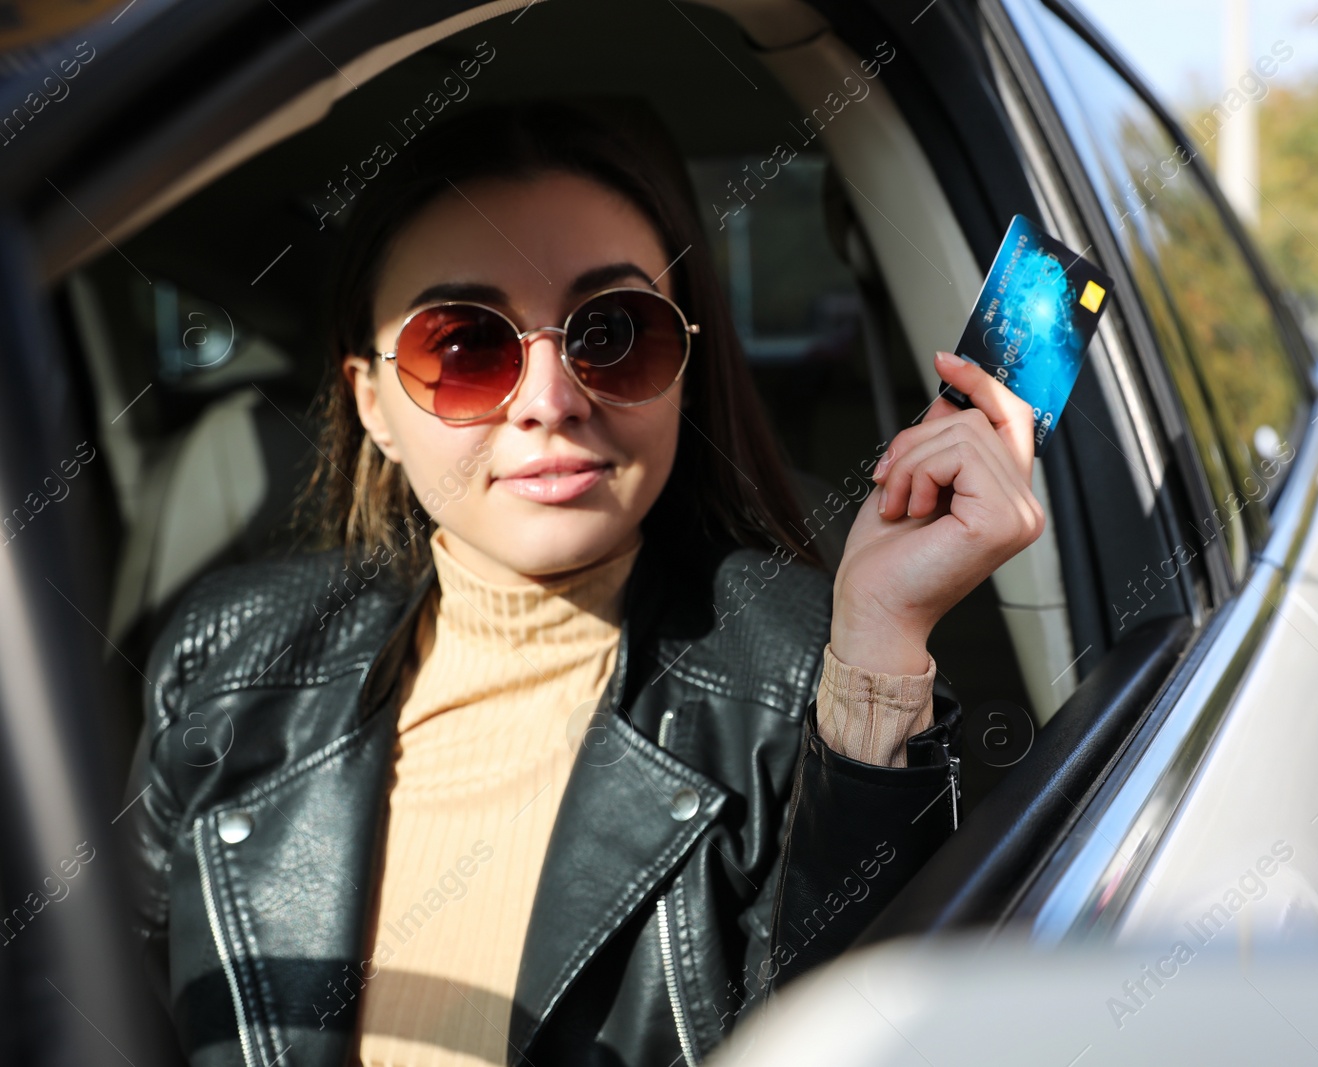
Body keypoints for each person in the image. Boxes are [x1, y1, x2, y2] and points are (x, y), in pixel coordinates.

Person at [122, 101, 1043, 1067]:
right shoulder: (225, 661)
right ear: (371, 403)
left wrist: (879, 642)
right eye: (466, 348)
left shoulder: (809, 681)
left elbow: (876, 1030)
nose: (551, 402)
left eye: (615, 331)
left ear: (687, 364)